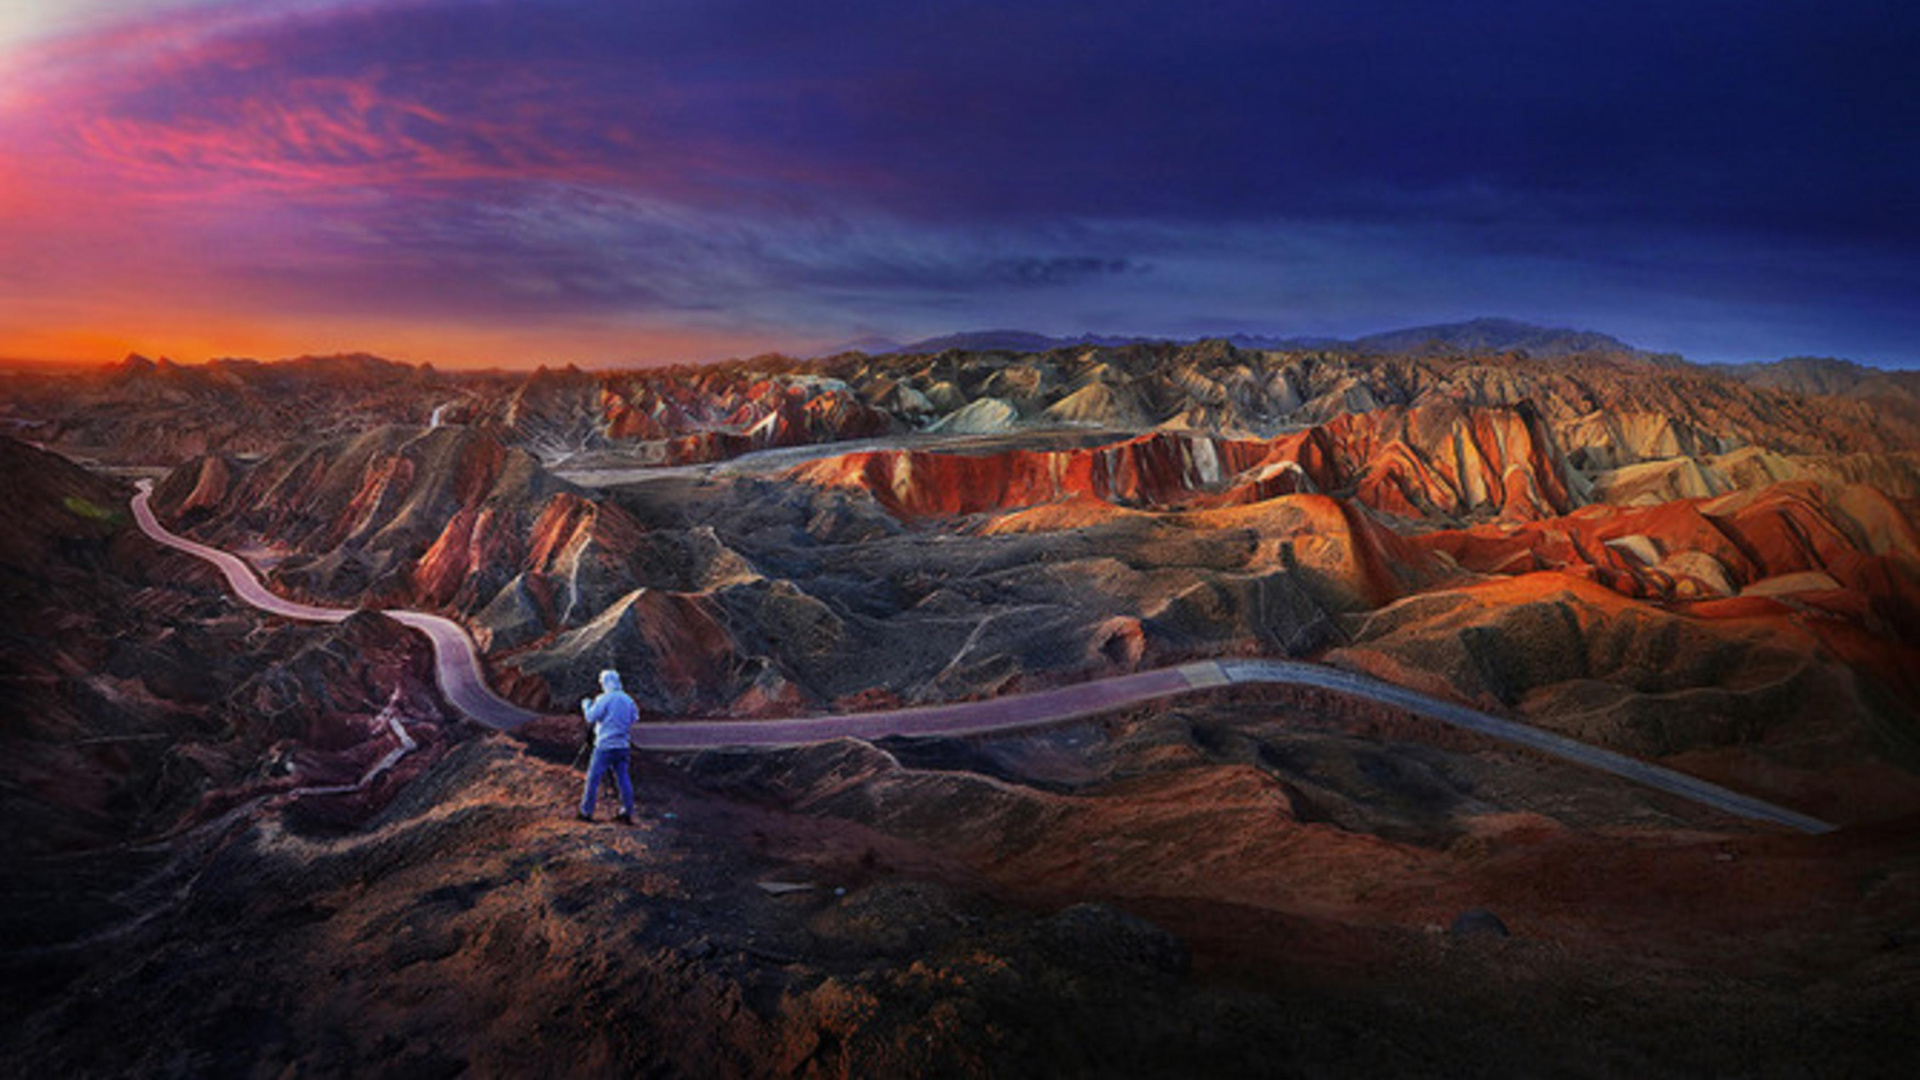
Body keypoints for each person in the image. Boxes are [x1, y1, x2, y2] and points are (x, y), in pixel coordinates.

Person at [577, 669, 638, 824]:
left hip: (604, 746)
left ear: (605, 682)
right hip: (623, 746)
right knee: (623, 778)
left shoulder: (604, 698)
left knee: (593, 779)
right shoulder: (627, 699)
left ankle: (586, 812)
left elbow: (591, 717)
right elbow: (634, 718)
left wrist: (586, 705)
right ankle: (627, 811)